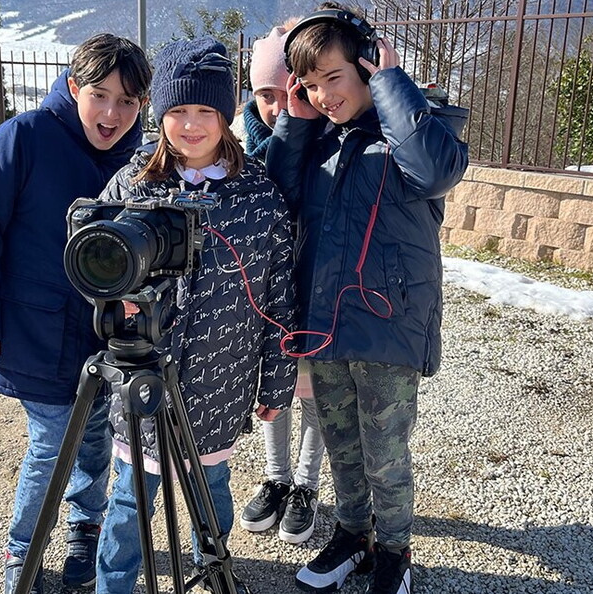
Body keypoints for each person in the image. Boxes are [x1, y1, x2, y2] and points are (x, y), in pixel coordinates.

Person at [265, 4, 469, 594]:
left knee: (385, 450)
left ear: (366, 62)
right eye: (309, 84)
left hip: (387, 327)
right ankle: (353, 536)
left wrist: (389, 84)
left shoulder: (418, 127)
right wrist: (296, 121)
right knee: (341, 445)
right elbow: (273, 190)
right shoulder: (319, 141)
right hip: (325, 324)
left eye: (335, 77)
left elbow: (434, 172)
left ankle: (395, 552)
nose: (325, 94)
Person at [92, 36, 297, 594]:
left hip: (221, 379)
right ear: (160, 115)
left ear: (227, 115)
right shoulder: (133, 183)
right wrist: (114, 300)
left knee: (212, 486)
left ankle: (213, 568)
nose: (191, 125)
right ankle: (114, 583)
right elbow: (94, 261)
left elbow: (281, 299)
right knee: (130, 501)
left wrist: (276, 383)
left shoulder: (259, 196)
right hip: (140, 378)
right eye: (178, 110)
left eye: (205, 110)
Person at [0, 34, 151, 594]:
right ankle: (24, 551)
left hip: (103, 334)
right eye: (100, 95)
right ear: (71, 87)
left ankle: (85, 530)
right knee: (54, 441)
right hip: (32, 328)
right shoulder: (26, 137)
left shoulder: (141, 160)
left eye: (128, 101)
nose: (112, 114)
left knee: (94, 441)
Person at [238, 23, 327, 547]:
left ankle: (306, 485)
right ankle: (275, 477)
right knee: (272, 387)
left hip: (314, 288)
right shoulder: (244, 147)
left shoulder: (327, 139)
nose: (275, 107)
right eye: (264, 95)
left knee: (312, 389)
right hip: (268, 293)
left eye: (284, 93)